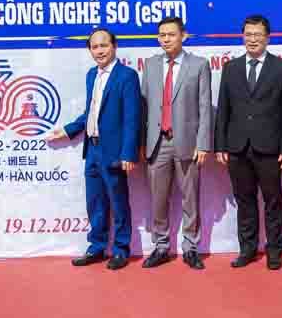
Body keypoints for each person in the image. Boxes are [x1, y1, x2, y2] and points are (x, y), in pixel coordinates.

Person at [48, 28, 140, 271]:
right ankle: (97, 247)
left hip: (114, 152)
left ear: (114, 46)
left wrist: (128, 153)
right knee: (95, 201)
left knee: (118, 202)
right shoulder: (91, 75)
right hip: (92, 149)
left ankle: (120, 249)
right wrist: (67, 130)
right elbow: (91, 112)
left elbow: (132, 118)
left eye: (104, 45)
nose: (99, 51)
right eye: (95, 47)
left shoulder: (127, 76)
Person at [214, 15, 282, 270]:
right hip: (237, 147)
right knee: (244, 200)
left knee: (273, 201)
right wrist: (220, 145)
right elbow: (223, 110)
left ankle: (274, 252)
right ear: (243, 37)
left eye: (258, 35)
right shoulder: (230, 68)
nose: (252, 39)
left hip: (270, 147)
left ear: (267, 38)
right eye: (248, 34)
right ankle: (247, 250)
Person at [138, 17, 212, 270]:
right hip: (157, 143)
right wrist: (142, 143)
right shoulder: (150, 65)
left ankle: (191, 248)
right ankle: (161, 246)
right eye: (162, 35)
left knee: (190, 199)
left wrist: (203, 144)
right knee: (158, 199)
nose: (166, 39)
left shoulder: (199, 65)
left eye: (171, 34)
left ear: (183, 36)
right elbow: (144, 107)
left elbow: (205, 107)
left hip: (188, 143)